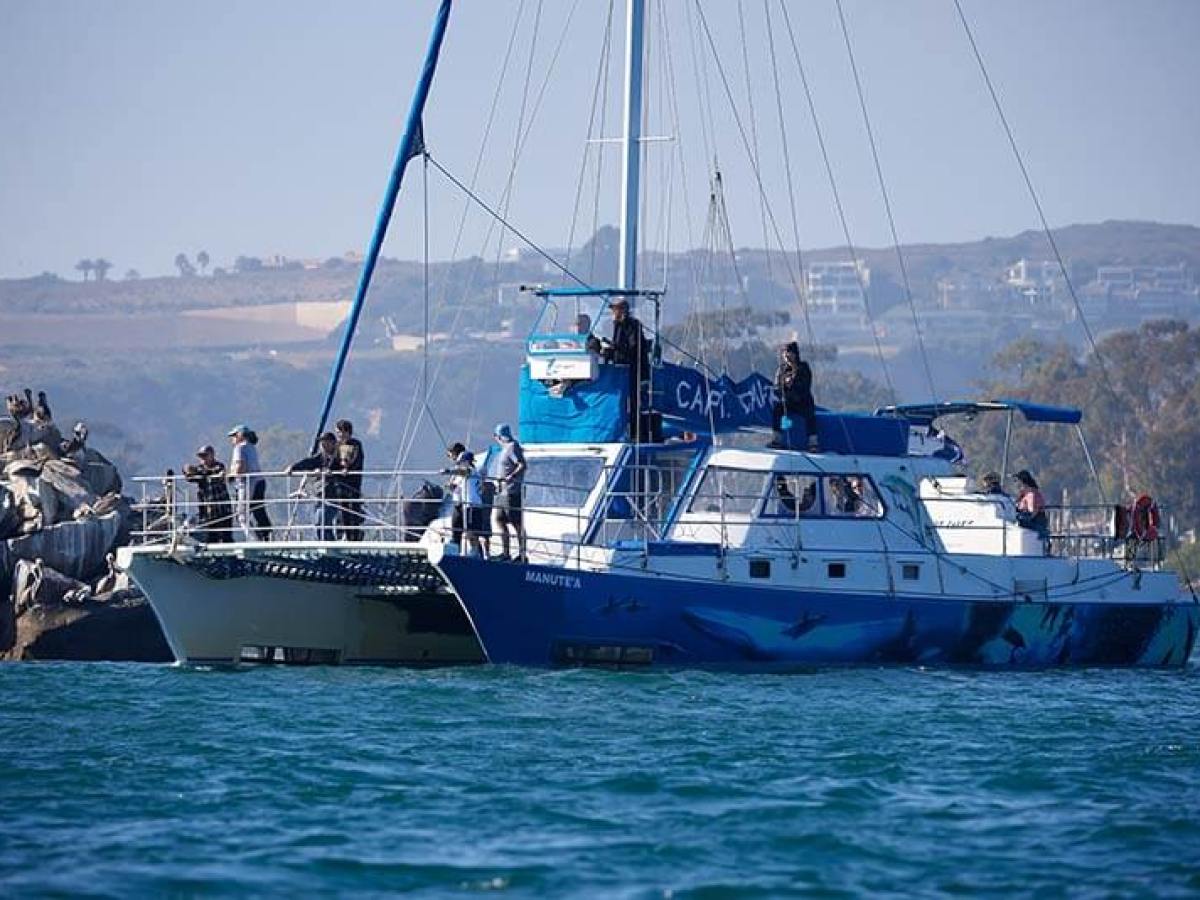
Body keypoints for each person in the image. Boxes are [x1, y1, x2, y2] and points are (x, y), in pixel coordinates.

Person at [600, 298, 651, 441]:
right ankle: (616, 431)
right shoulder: (614, 325)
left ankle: (634, 434)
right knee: (617, 401)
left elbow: (633, 348)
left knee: (632, 403)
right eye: (613, 309)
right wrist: (606, 351)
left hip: (632, 370)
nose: (614, 312)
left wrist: (614, 346)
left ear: (623, 310)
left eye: (616, 309)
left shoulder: (632, 325)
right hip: (618, 369)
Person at [286, 432, 340, 540]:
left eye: (327, 442)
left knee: (323, 522)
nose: (324, 445)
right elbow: (308, 462)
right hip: (320, 495)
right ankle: (326, 544)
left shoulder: (339, 457)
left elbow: (341, 468)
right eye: (322, 443)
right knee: (318, 524)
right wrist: (293, 467)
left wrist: (328, 472)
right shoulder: (321, 457)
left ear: (333, 443)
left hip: (333, 495)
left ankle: (330, 545)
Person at [770, 341, 819, 452]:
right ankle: (777, 439)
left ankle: (813, 443)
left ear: (795, 354)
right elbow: (776, 387)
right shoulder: (782, 369)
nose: (786, 357)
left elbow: (805, 386)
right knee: (777, 410)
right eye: (784, 354)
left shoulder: (803, 367)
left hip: (802, 401)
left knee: (810, 415)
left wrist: (793, 385)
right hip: (788, 402)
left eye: (789, 353)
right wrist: (784, 389)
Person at [228, 424, 271, 541]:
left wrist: (230, 476)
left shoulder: (239, 448)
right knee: (258, 510)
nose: (232, 439)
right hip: (259, 481)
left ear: (240, 435)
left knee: (241, 514)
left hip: (247, 483)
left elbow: (240, 467)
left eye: (234, 436)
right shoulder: (251, 447)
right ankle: (266, 535)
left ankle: (253, 539)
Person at [491, 423, 527, 562]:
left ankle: (522, 554)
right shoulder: (504, 449)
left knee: (516, 522)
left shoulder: (512, 447)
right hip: (501, 491)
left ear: (498, 436)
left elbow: (522, 464)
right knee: (499, 520)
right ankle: (505, 553)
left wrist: (511, 476)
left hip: (511, 491)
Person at [184, 445, 234, 543]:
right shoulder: (199, 469)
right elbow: (189, 477)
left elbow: (216, 473)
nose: (203, 458)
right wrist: (187, 470)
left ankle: (229, 551)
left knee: (226, 536)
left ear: (212, 455)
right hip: (209, 510)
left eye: (205, 455)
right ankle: (214, 552)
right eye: (201, 456)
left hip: (222, 508)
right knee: (212, 537)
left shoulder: (219, 466)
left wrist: (201, 473)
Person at [447, 447, 484, 557]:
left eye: (461, 461)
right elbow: (458, 487)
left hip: (472, 504)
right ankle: (458, 552)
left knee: (472, 532)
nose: (459, 464)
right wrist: (452, 486)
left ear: (467, 462)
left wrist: (449, 471)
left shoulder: (472, 471)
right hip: (464, 504)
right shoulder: (461, 475)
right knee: (459, 529)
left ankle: (476, 552)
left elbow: (464, 472)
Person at [334, 419, 365, 541]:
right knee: (343, 511)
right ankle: (346, 535)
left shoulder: (356, 445)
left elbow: (357, 460)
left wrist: (348, 468)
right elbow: (334, 461)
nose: (339, 435)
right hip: (340, 484)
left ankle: (355, 536)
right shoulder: (337, 446)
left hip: (353, 483)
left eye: (341, 432)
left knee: (354, 510)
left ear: (347, 432)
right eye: (338, 432)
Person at [1012, 469, 1048, 538]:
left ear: (1023, 482)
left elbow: (1033, 511)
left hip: (1036, 523)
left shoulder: (1031, 494)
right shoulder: (1027, 493)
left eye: (1017, 481)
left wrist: (1025, 518)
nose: (1016, 484)